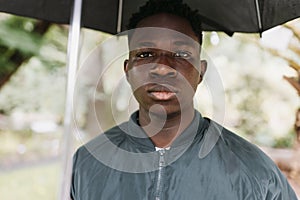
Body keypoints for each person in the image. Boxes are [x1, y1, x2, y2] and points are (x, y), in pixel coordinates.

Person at [70, 0, 298, 199]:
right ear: (128, 70)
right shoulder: (87, 163)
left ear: (201, 72)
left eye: (181, 54)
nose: (162, 67)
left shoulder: (253, 170)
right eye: (145, 54)